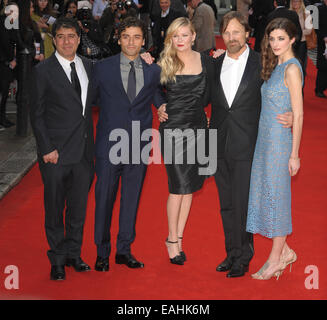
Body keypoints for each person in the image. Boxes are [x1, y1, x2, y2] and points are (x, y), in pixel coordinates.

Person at [210, 11, 293, 278]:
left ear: (247, 34)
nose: (231, 37)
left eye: (236, 32)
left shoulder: (262, 63)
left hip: (249, 144)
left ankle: (244, 256)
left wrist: (291, 112)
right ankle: (231, 252)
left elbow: (283, 88)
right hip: (218, 142)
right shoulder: (214, 62)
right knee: (226, 203)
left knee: (242, 202)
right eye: (226, 32)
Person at [93, 17, 165, 272]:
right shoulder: (102, 68)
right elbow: (88, 100)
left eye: (136, 37)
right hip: (109, 145)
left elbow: (154, 91)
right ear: (118, 39)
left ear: (144, 41)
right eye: (126, 37)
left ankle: (124, 250)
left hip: (139, 143)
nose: (131, 42)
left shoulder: (153, 69)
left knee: (131, 199)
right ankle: (102, 252)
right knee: (104, 199)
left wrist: (162, 104)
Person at [29, 17, 95, 281]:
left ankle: (73, 254)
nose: (67, 41)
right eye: (61, 37)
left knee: (78, 208)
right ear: (53, 40)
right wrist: (46, 148)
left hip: (83, 153)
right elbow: (37, 114)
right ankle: (56, 259)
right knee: (55, 208)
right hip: (54, 154)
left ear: (79, 39)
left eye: (72, 36)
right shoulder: (42, 71)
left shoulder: (90, 66)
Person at [246, 17, 303, 280]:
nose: (276, 43)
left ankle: (274, 260)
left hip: (280, 143)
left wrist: (294, 154)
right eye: (272, 38)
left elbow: (299, 115)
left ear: (293, 39)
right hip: (264, 141)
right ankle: (287, 251)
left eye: (282, 38)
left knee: (277, 199)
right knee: (265, 195)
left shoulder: (291, 68)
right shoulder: (275, 65)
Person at [157, 17, 215, 265]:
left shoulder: (207, 61)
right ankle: (171, 240)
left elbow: (216, 92)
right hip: (173, 129)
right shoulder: (163, 61)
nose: (179, 40)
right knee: (177, 186)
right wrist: (158, 105)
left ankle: (179, 237)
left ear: (193, 36)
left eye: (184, 35)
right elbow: (151, 89)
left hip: (198, 128)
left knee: (190, 186)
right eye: (175, 36)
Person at [16, 0, 44, 137]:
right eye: (31, 7)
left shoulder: (32, 23)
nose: (33, 9)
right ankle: (21, 130)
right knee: (23, 95)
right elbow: (18, 43)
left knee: (32, 94)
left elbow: (39, 39)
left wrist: (40, 53)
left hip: (33, 63)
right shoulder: (16, 24)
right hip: (23, 63)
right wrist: (33, 53)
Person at [0, 1, 17, 129]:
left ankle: (2, 117)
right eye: (12, 11)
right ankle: (2, 118)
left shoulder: (11, 24)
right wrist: (12, 59)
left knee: (5, 92)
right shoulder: (4, 23)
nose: (14, 14)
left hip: (6, 62)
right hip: (4, 63)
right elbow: (6, 43)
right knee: (3, 92)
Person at [290, 0, 312, 80]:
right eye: (293, 1)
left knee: (300, 64)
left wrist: (296, 33)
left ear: (301, 2)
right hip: (290, 43)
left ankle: (299, 82)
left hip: (302, 42)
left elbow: (309, 30)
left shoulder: (306, 13)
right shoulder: (289, 13)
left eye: (297, 1)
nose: (295, 3)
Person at [315, 0, 327, 98]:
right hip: (323, 42)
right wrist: (323, 37)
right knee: (323, 66)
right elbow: (315, 26)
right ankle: (319, 89)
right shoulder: (319, 9)